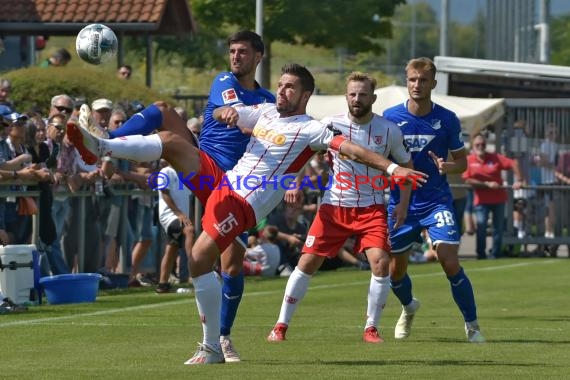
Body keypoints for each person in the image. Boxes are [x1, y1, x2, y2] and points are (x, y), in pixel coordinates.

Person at [67, 63, 426, 365]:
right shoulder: (266, 110)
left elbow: (352, 149)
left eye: (290, 88)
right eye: (281, 85)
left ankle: (212, 345)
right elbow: (235, 114)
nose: (281, 91)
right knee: (172, 140)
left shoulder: (312, 128)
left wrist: (393, 170)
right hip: (225, 182)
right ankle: (102, 146)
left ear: (305, 96)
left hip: (243, 205)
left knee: (198, 259)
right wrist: (227, 113)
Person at [95, 30, 276, 362]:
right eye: (232, 51)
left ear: (258, 56)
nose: (236, 56)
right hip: (204, 162)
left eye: (243, 52)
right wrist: (227, 114)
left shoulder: (269, 102)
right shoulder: (224, 81)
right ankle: (106, 141)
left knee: (232, 268)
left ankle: (222, 338)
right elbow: (224, 111)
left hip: (234, 185)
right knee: (163, 112)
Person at [267, 71, 414, 344]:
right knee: (307, 262)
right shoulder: (329, 125)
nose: (357, 99)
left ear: (373, 97)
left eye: (362, 94)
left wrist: (403, 205)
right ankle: (280, 325)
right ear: (346, 96)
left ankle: (371, 328)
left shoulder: (390, 130)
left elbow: (406, 168)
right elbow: (303, 152)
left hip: (372, 208)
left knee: (381, 263)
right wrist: (293, 184)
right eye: (352, 94)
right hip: (334, 207)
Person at [383, 57, 485, 343]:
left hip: (437, 200)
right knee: (395, 270)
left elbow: (462, 163)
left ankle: (473, 325)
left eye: (423, 80)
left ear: (433, 84)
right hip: (401, 204)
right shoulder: (390, 117)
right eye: (413, 79)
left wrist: (447, 167)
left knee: (449, 261)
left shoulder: (447, 119)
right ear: (407, 81)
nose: (417, 84)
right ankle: (408, 308)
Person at [462, 133, 524, 259]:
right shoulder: (469, 160)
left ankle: (496, 253)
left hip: (499, 198)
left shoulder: (494, 157)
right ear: (473, 146)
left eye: (483, 144)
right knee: (481, 227)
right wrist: (487, 184)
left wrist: (519, 180)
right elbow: (467, 180)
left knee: (498, 228)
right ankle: (481, 254)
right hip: (481, 200)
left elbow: (513, 163)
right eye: (477, 144)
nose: (481, 146)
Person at [155, 162, 194, 293]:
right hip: (170, 215)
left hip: (181, 216)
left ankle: (162, 284)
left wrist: (187, 215)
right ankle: (196, 270)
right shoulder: (165, 172)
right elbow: (165, 194)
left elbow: (188, 197)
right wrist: (180, 214)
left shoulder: (184, 174)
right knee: (189, 231)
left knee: (172, 248)